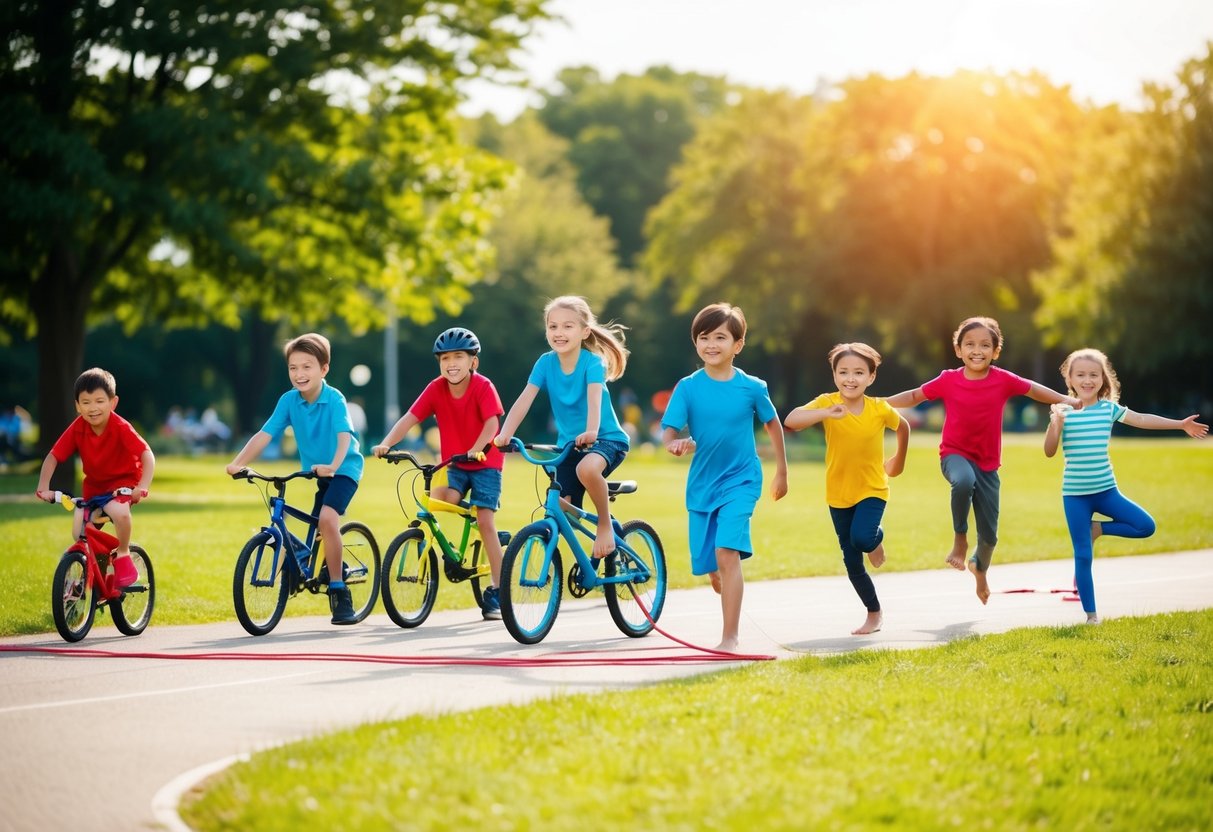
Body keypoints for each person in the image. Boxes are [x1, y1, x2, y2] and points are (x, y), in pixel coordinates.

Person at [885, 316, 1081, 604]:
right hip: (954, 454)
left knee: (989, 538)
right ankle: (960, 540)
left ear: (996, 351)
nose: (977, 350)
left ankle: (979, 567)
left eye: (985, 345)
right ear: (959, 350)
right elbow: (915, 395)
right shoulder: (948, 380)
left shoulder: (1002, 379)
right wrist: (880, 402)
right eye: (970, 345)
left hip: (988, 464)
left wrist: (1067, 399)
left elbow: (1034, 389)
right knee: (963, 482)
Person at [1044, 348, 1208, 624]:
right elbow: (1049, 451)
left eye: (1093, 375)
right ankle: (1092, 617)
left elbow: (1142, 419)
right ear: (1070, 379)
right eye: (1081, 375)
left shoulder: (1108, 409)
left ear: (1103, 379)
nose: (1087, 380)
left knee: (1146, 526)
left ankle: (1098, 528)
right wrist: (1055, 424)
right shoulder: (1064, 412)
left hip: (1107, 492)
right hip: (1075, 497)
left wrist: (1180, 424)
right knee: (1083, 555)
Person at [661, 303, 788, 652]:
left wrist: (781, 472)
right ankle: (715, 571)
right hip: (702, 485)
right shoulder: (687, 388)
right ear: (696, 343)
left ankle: (730, 637)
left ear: (738, 344)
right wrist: (675, 444)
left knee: (727, 552)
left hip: (742, 480)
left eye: (720, 337)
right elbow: (669, 431)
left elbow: (772, 424)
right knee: (711, 563)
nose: (711, 344)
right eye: (704, 338)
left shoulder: (752, 387)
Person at [225, 333, 364, 625]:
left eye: (307, 367)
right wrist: (239, 463)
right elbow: (265, 434)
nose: (299, 374)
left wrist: (334, 465)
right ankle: (312, 568)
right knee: (315, 530)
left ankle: (339, 591)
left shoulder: (334, 398)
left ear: (324, 369)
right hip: (316, 471)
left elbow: (344, 437)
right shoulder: (289, 401)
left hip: (345, 469)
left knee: (327, 521)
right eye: (293, 367)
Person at [372, 327, 508, 621]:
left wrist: (477, 448)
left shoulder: (483, 386)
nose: (451, 363)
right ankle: (455, 548)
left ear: (473, 361)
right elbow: (411, 417)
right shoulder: (436, 388)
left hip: (485, 463)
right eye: (445, 358)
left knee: (485, 520)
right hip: (455, 464)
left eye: (459, 356)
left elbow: (492, 425)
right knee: (437, 499)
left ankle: (498, 589)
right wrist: (387, 442)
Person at [785, 343, 910, 635]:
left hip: (873, 487)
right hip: (838, 493)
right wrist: (826, 413)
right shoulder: (827, 403)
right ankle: (873, 613)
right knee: (851, 560)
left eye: (858, 372)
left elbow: (902, 426)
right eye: (843, 372)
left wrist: (898, 461)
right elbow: (791, 420)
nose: (850, 379)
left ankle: (875, 540)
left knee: (863, 537)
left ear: (871, 377)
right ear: (834, 375)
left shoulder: (879, 408)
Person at [494, 296, 630, 559]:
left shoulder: (592, 363)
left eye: (568, 326)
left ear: (584, 332)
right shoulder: (545, 363)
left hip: (606, 439)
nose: (559, 333)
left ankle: (604, 525)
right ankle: (598, 546)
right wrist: (505, 434)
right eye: (553, 327)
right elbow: (525, 399)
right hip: (570, 445)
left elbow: (594, 398)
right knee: (561, 505)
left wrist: (592, 431)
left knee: (587, 469)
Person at [35, 368, 156, 587]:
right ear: (77, 406)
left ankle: (123, 553)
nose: (93, 408)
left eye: (99, 401)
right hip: (93, 489)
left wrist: (142, 486)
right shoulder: (77, 428)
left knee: (120, 514)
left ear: (113, 402)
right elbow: (53, 456)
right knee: (79, 533)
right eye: (86, 402)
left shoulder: (120, 427)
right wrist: (44, 487)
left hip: (121, 484)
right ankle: (95, 573)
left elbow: (147, 454)